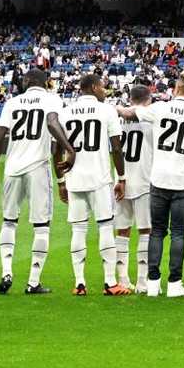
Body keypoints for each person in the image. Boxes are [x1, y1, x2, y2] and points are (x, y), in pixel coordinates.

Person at [0, 68, 75, 295]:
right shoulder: (51, 100)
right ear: (46, 83)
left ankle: (6, 271)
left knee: (8, 221)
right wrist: (69, 149)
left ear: (26, 82)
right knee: (41, 226)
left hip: (12, 169)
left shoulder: (12, 103)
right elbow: (53, 124)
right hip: (37, 167)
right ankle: (33, 281)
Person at [131, 71, 184, 297]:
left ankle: (153, 283)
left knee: (156, 231)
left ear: (176, 87)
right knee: (178, 233)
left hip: (159, 179)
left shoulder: (160, 108)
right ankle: (175, 283)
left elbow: (132, 111)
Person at [59, 73, 129, 297]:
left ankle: (79, 282)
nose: (104, 91)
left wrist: (61, 181)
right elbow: (116, 148)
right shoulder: (106, 110)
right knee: (105, 227)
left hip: (74, 178)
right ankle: (110, 282)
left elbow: (56, 149)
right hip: (99, 178)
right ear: (93, 87)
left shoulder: (66, 111)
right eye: (102, 87)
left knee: (78, 229)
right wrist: (122, 177)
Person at [114, 84, 154, 293]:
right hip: (144, 179)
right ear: (149, 99)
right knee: (145, 230)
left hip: (121, 179)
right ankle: (142, 281)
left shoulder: (119, 117)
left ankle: (122, 279)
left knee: (123, 229)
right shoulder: (151, 117)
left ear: (130, 98)